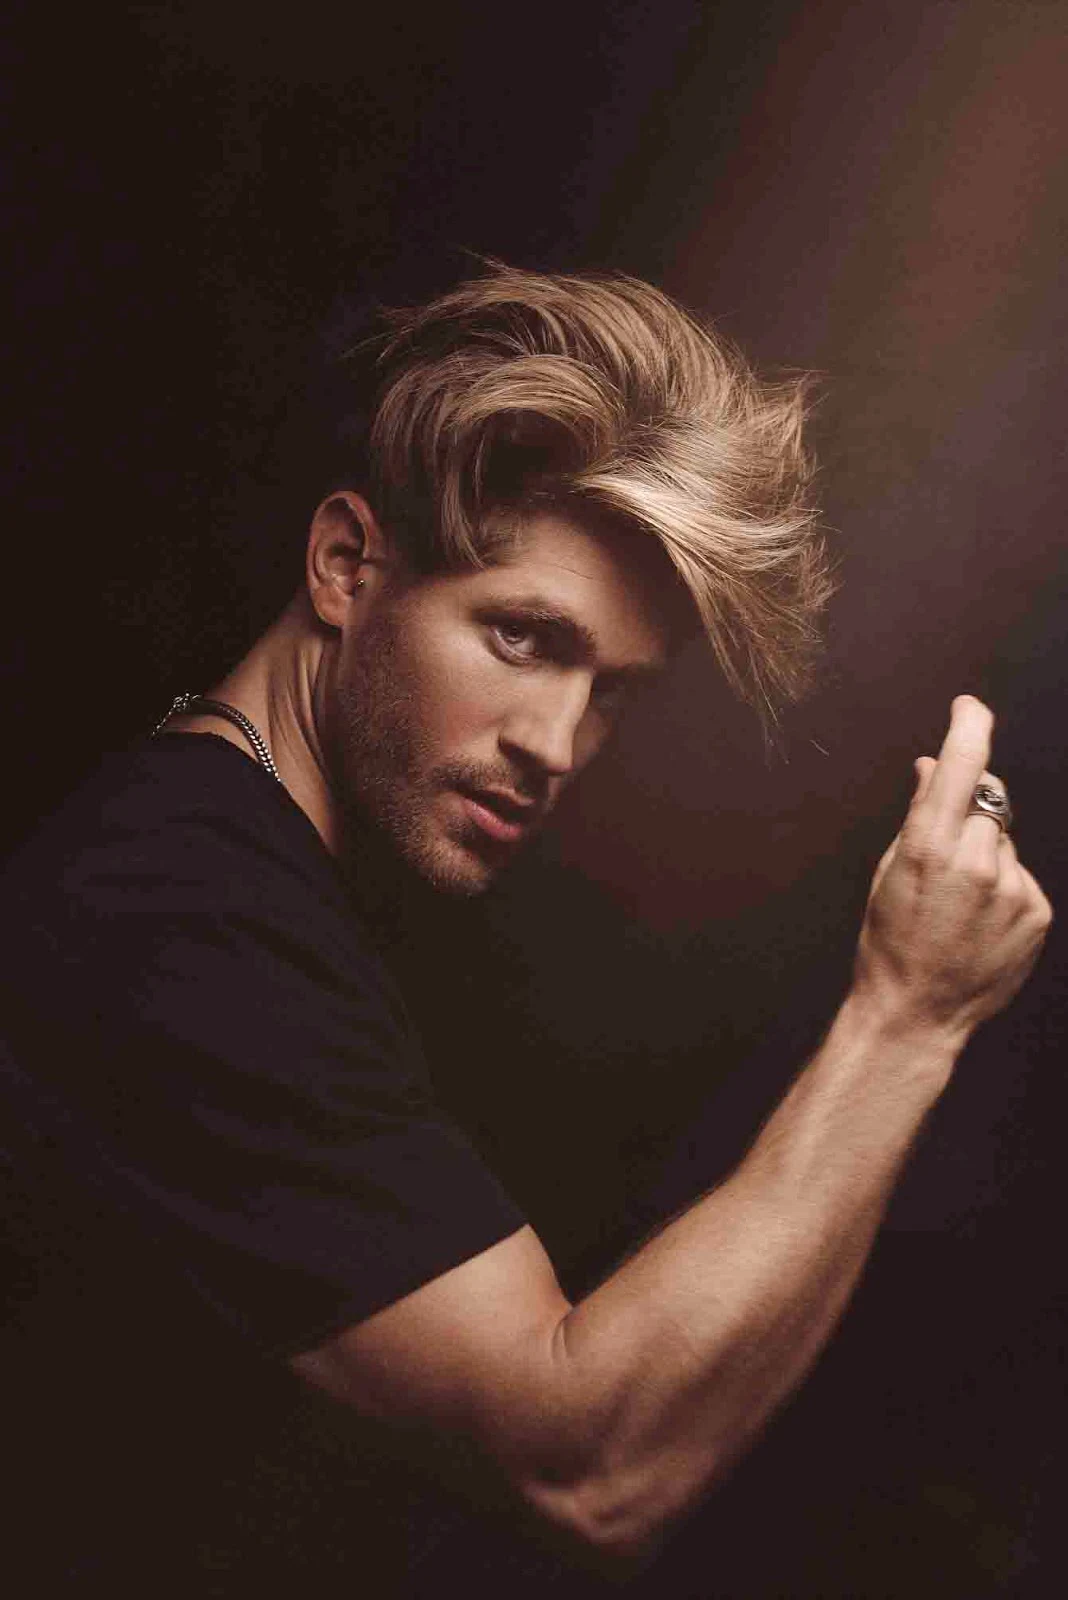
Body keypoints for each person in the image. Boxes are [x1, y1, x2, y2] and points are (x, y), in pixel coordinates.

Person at [0, 265, 1050, 1593]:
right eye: (520, 638)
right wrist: (909, 1015)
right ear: (346, 566)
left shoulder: (255, 861)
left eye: (609, 690)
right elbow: (587, 1466)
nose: (555, 744)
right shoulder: (179, 909)